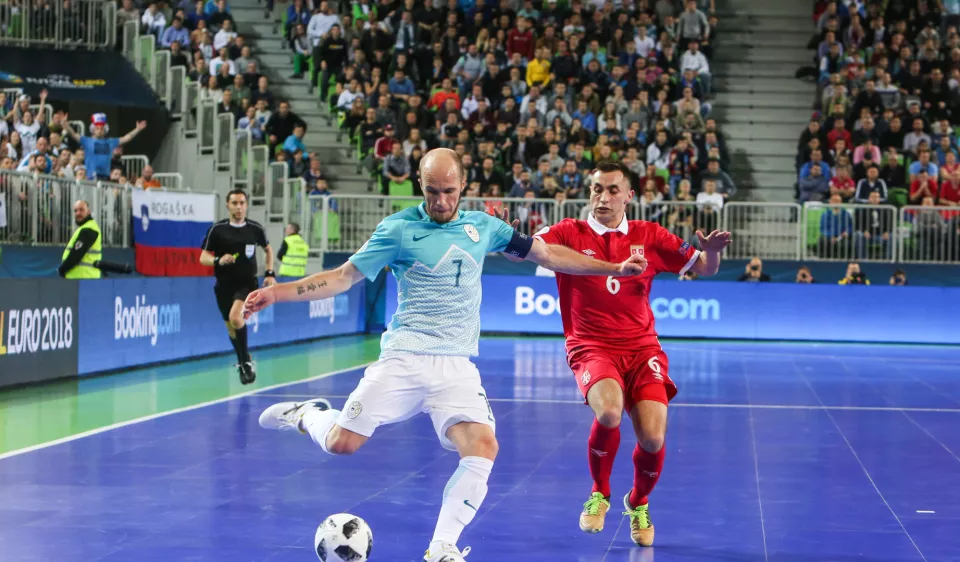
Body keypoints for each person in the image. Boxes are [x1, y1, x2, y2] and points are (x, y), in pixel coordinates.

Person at [245, 148, 648, 562]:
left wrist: (613, 268)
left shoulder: (484, 227)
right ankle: (307, 414)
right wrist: (277, 293)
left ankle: (442, 546)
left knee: (483, 445)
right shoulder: (397, 229)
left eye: (449, 191)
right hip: (404, 357)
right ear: (420, 184)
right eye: (432, 191)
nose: (440, 201)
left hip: (456, 366)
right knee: (341, 443)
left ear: (463, 186)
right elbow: (342, 277)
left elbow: (547, 255)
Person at [531, 162, 730, 546]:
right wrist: (508, 236)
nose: (602, 197)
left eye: (612, 190)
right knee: (608, 411)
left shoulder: (649, 235)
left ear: (629, 196)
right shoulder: (568, 232)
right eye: (596, 189)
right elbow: (530, 251)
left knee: (653, 438)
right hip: (591, 344)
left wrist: (713, 253)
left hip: (642, 348)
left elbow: (705, 268)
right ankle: (600, 493)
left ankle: (637, 502)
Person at [199, 189, 275, 384]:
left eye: (242, 203)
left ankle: (245, 363)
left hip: (247, 284)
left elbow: (268, 250)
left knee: (235, 317)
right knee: (231, 327)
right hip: (223, 285)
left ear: (246, 205)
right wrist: (218, 259)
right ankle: (244, 359)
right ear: (228, 205)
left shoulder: (255, 229)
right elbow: (203, 257)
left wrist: (269, 273)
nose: (239, 207)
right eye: (234, 203)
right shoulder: (217, 230)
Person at [60, 113, 146, 181]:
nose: (100, 130)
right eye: (98, 128)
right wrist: (65, 124)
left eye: (102, 128)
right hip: (91, 176)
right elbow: (73, 134)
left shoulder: (110, 142)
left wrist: (137, 129)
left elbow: (126, 138)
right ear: (93, 129)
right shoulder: (87, 140)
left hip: (106, 176)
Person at [58, 200, 102, 279]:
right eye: (75, 211)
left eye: (81, 210)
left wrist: (62, 269)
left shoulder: (89, 229)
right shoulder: (85, 227)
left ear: (88, 212)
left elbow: (76, 254)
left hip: (84, 279)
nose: (78, 213)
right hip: (81, 278)